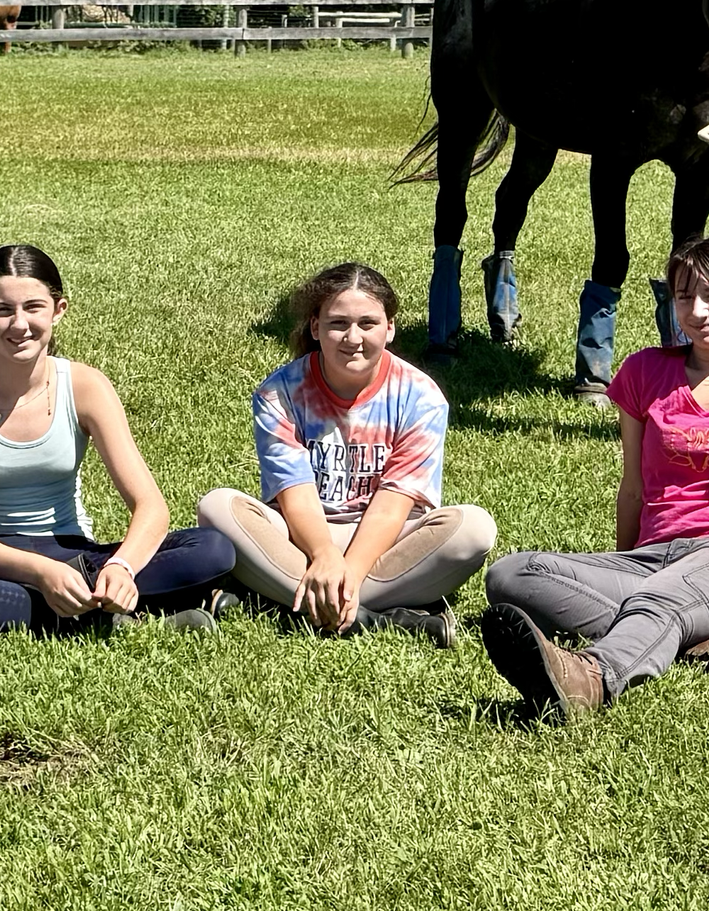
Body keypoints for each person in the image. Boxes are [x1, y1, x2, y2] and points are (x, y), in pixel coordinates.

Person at [477, 237, 709, 721]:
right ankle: (699, 642)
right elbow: (634, 488)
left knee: (658, 598)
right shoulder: (645, 371)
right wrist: (622, 563)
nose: (698, 310)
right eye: (684, 296)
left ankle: (592, 679)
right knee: (511, 575)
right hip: (656, 555)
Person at [0, 245, 236, 634]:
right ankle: (119, 615)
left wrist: (122, 566)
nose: (19, 324)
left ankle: (72, 609)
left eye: (33, 307)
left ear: (58, 310)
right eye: (2, 310)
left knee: (212, 549)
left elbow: (151, 506)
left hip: (76, 554)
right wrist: (42, 571)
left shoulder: (84, 386)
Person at [198, 262, 495, 642]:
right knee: (217, 507)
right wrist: (323, 554)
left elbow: (393, 505)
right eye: (338, 323)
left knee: (473, 530)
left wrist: (349, 572)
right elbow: (296, 494)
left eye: (367, 323)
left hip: (388, 537)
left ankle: (281, 597)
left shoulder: (421, 396)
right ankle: (379, 616)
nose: (353, 337)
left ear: (390, 328)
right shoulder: (280, 393)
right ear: (315, 327)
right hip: (301, 537)